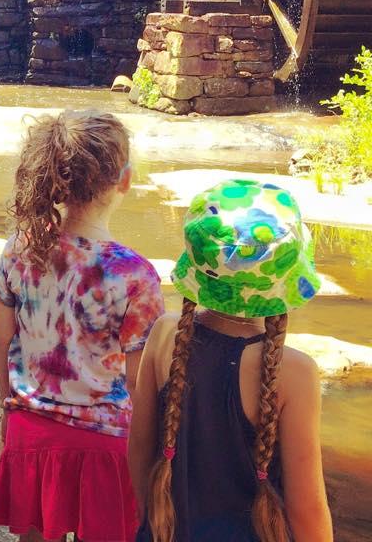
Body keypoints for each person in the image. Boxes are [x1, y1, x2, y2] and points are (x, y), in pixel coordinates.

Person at [0, 111, 165, 542]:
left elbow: (0, 341)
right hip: (105, 443)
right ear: (124, 181)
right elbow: (140, 383)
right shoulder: (135, 275)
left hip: (31, 430)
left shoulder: (19, 249)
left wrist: (7, 403)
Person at [128, 179, 333, 542]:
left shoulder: (164, 335)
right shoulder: (295, 373)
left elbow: (139, 450)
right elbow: (308, 510)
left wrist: (152, 522)